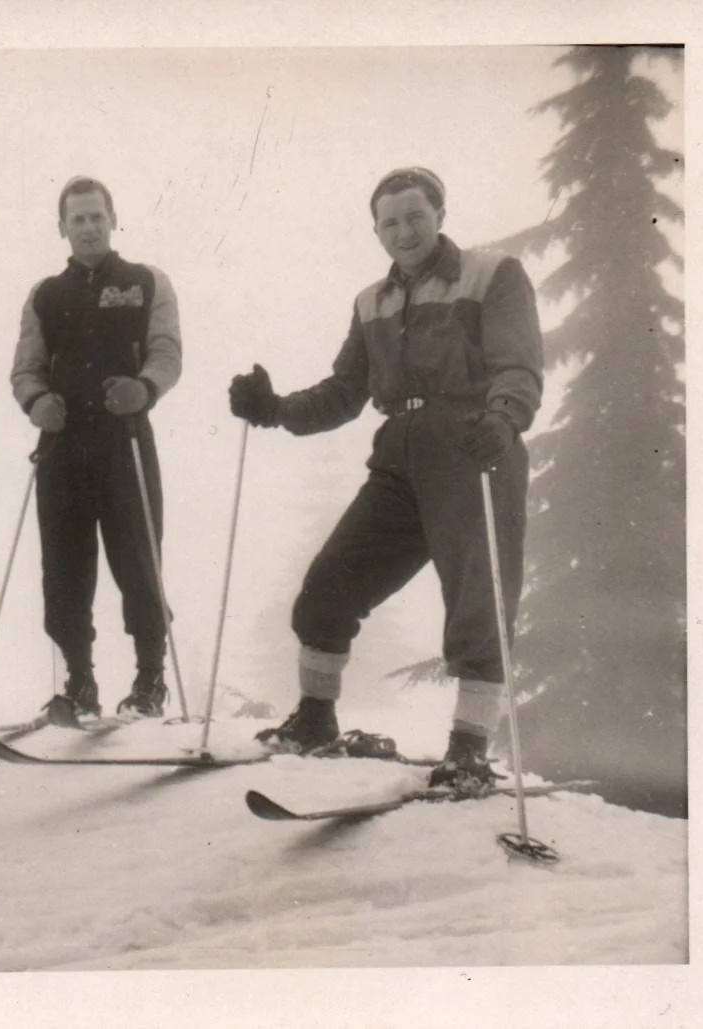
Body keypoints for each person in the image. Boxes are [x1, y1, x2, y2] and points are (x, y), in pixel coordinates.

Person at [227, 166, 544, 789]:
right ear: (375, 230)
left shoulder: (492, 276)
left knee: (478, 606)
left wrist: (505, 418)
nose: (404, 231)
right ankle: (315, 719)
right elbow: (345, 393)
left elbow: (518, 363)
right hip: (398, 462)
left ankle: (468, 751)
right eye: (389, 222)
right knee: (328, 588)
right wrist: (273, 409)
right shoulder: (372, 301)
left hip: (475, 452)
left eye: (415, 217)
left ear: (440, 215)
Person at [10, 176, 183, 721]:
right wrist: (37, 401)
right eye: (77, 219)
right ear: (61, 227)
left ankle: (150, 680)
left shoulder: (145, 281)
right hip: (63, 443)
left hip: (123, 438)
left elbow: (167, 352)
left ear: (113, 219)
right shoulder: (45, 294)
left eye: (96, 216)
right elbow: (25, 367)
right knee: (64, 566)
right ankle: (79, 682)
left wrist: (144, 388)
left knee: (137, 557)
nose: (88, 227)